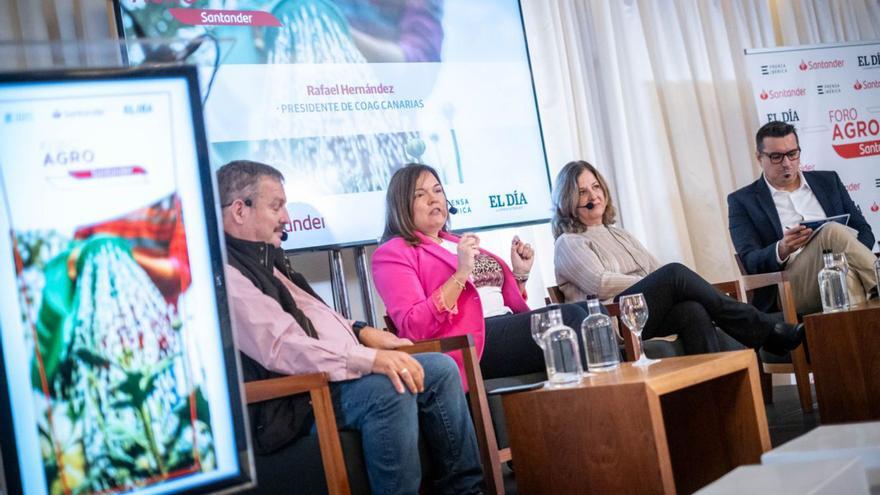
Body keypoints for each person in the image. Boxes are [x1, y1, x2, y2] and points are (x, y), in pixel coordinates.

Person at [218, 160, 483, 494]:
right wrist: (368, 359)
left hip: (327, 377)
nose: (286, 218)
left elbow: (319, 317)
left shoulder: (269, 263)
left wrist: (361, 331)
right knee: (391, 387)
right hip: (294, 399)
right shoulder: (226, 274)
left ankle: (467, 490)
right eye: (277, 206)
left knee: (440, 369)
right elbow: (283, 346)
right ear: (240, 210)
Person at [551, 160, 804, 356]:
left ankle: (713, 401)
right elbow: (600, 283)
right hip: (613, 320)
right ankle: (766, 330)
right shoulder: (568, 242)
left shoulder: (619, 234)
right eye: (582, 192)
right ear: (569, 201)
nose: (593, 195)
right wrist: (654, 282)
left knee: (691, 310)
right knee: (673, 274)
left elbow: (655, 269)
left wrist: (660, 282)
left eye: (595, 187)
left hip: (640, 311)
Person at [372, 163, 590, 384]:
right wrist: (461, 273)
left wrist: (519, 275)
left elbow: (485, 296)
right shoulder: (393, 253)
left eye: (438, 191)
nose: (433, 199)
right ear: (401, 206)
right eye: (421, 194)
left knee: (591, 312)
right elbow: (413, 326)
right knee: (571, 319)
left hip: (503, 322)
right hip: (470, 344)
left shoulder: (453, 241)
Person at [728, 120, 877, 314]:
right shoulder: (742, 201)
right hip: (789, 286)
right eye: (776, 157)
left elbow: (865, 231)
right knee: (831, 231)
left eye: (792, 154)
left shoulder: (828, 181)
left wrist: (847, 260)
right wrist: (781, 249)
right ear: (759, 157)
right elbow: (750, 260)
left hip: (839, 269)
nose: (786, 163)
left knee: (843, 279)